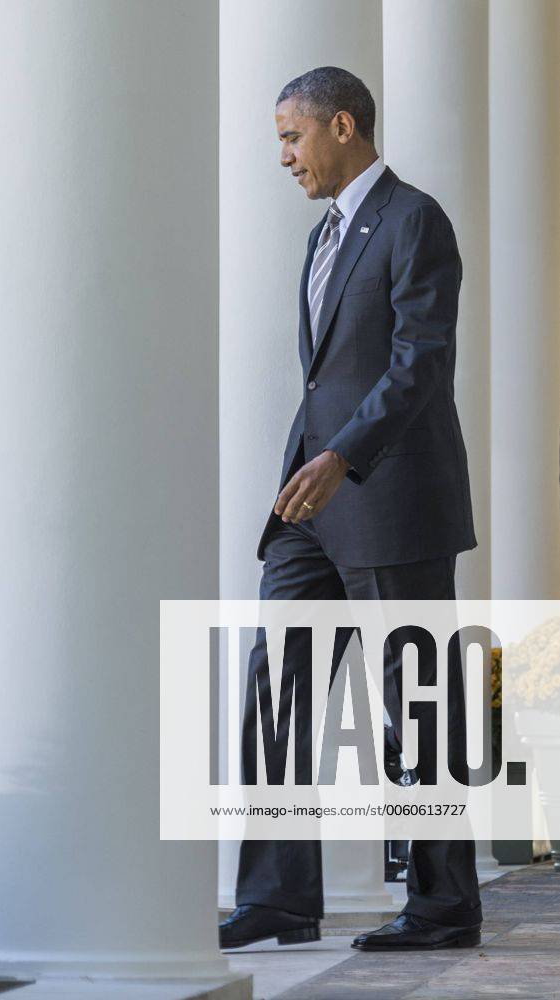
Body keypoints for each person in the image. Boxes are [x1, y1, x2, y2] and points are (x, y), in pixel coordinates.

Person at [219, 66, 482, 952]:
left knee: (419, 705)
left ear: (341, 125)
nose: (282, 156)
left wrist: (342, 455)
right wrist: (309, 464)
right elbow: (327, 372)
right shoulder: (321, 236)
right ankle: (278, 899)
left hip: (391, 498)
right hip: (311, 508)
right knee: (276, 689)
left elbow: (421, 361)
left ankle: (445, 908)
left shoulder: (413, 219)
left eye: (290, 137)